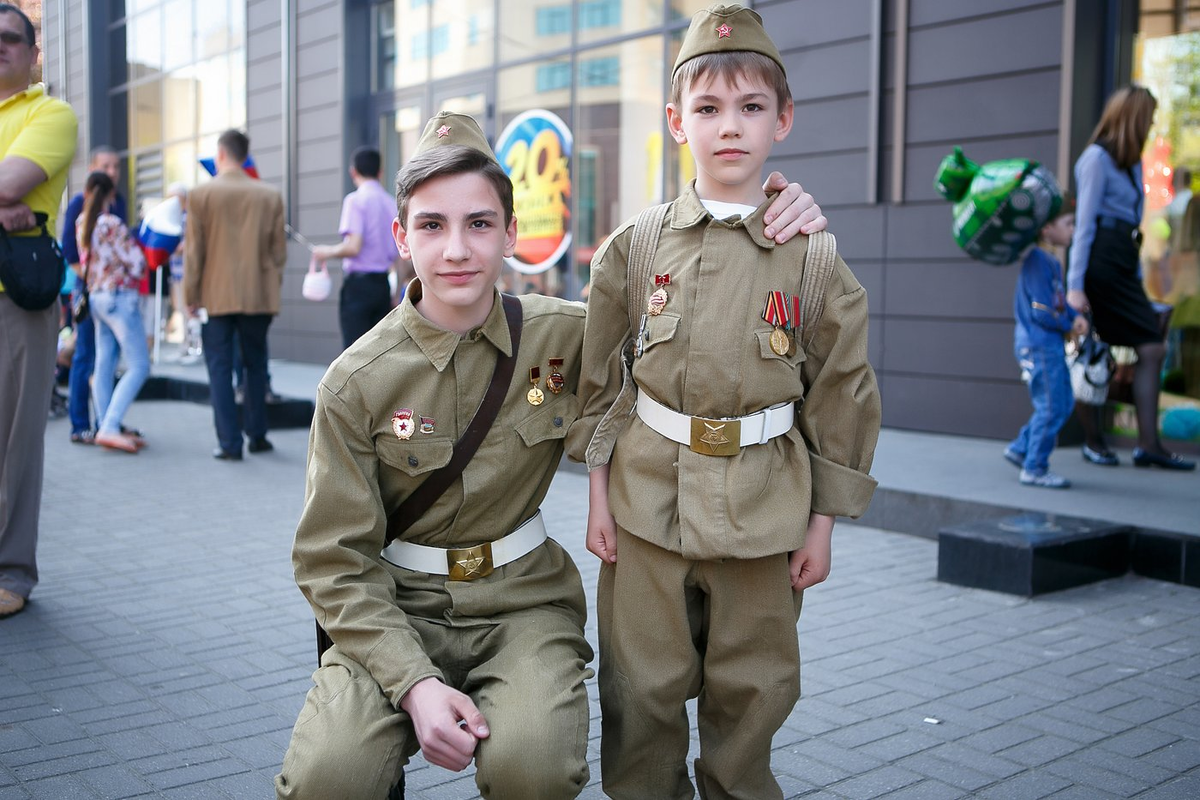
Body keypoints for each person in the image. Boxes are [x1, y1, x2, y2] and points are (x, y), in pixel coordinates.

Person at [275, 111, 827, 799]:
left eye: (479, 224)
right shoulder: (356, 384)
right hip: (395, 606)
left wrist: (764, 219)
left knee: (534, 768)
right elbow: (331, 560)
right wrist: (414, 685)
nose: (456, 250)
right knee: (331, 777)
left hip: (521, 605)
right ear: (400, 236)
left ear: (511, 234)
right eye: (432, 225)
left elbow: (692, 314)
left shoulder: (567, 336)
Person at [568, 6, 881, 797]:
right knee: (641, 692)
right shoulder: (636, 248)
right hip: (645, 505)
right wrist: (597, 497)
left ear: (784, 119)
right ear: (676, 122)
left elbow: (840, 397)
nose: (729, 127)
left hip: (766, 512)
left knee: (754, 693)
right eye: (707, 109)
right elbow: (601, 377)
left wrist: (823, 527)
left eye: (750, 108)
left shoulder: (812, 259)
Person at [1067, 86, 1195, 471]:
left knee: (1146, 347)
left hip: (1122, 259)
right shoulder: (1096, 159)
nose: (1153, 123)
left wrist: (1138, 276)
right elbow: (1084, 226)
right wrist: (1075, 286)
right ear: (1133, 117)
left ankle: (1145, 445)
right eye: (1150, 116)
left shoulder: (1131, 162)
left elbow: (1134, 227)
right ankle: (1102, 441)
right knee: (1107, 349)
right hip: (1100, 260)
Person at [0, 2, 78, 619]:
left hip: (16, 305)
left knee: (16, 443)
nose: (0, 46)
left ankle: (12, 573)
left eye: (10, 38)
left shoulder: (49, 114)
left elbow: (11, 182)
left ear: (31, 54)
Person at [184, 128, 286, 461]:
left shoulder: (200, 195)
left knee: (219, 368)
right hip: (257, 295)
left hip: (215, 296)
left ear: (221, 154)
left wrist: (190, 294)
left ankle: (229, 444)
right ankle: (257, 436)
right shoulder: (270, 195)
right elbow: (279, 254)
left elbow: (194, 253)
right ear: (245, 155)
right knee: (255, 365)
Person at [1004, 199, 1089, 488]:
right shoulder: (1037, 261)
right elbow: (1042, 310)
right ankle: (1034, 468)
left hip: (1047, 345)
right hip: (1039, 346)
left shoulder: (1050, 261)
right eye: (1069, 223)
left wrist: (1074, 315)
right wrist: (1069, 323)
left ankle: (1020, 449)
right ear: (1047, 228)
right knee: (1051, 407)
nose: (1073, 230)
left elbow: (1058, 303)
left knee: (1062, 403)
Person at [77, 171, 150, 454]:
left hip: (97, 299)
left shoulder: (82, 221)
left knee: (104, 363)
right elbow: (137, 264)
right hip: (118, 298)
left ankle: (107, 424)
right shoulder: (111, 223)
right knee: (140, 366)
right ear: (111, 194)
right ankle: (110, 426)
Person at [60, 146, 125, 445]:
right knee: (85, 356)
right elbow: (71, 252)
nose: (112, 172)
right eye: (106, 166)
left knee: (109, 358)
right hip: (89, 294)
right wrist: (93, 281)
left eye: (116, 166)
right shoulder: (79, 203)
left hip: (113, 297)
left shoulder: (119, 204)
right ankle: (80, 424)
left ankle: (107, 422)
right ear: (93, 170)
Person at [312, 146, 404, 349]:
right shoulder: (391, 203)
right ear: (380, 172)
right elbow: (399, 253)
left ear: (353, 171)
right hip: (383, 286)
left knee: (354, 353)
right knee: (380, 351)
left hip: (358, 288)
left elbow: (353, 247)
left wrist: (325, 252)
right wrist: (396, 293)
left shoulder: (354, 200)